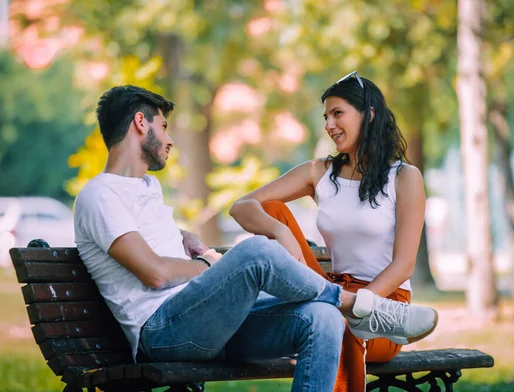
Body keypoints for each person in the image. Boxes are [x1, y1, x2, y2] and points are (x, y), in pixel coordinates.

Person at [73, 85, 438, 392]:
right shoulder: (100, 195)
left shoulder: (145, 188)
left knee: (322, 319)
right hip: (164, 332)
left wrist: (184, 237)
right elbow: (155, 274)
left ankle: (344, 307)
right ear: (140, 123)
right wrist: (209, 264)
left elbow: (147, 243)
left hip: (207, 321)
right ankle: (355, 305)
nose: (169, 139)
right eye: (163, 127)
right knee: (256, 253)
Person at [230, 71, 437, 391]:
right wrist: (280, 231)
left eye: (337, 113)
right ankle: (340, 308)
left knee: (337, 323)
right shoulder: (319, 172)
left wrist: (359, 303)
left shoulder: (404, 177)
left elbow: (404, 265)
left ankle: (347, 311)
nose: (328, 124)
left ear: (368, 115)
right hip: (330, 292)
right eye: (326, 116)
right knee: (271, 208)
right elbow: (241, 206)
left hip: (383, 307)